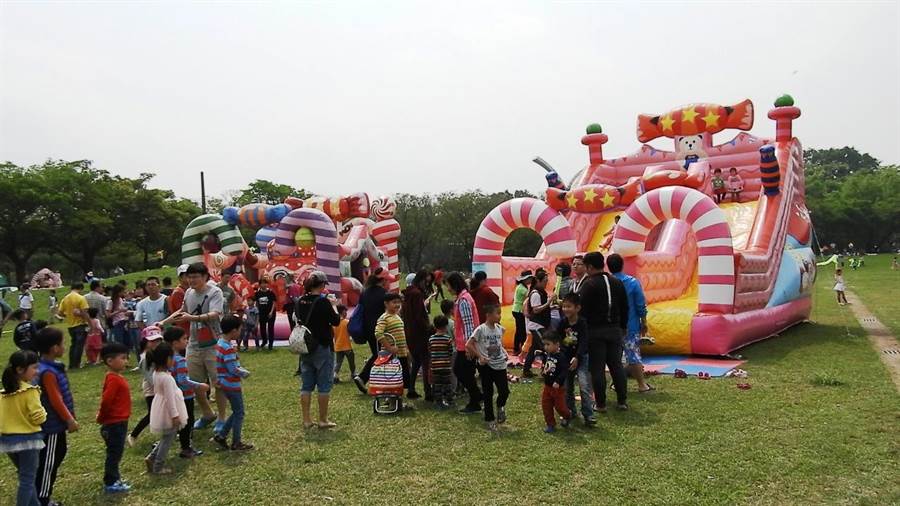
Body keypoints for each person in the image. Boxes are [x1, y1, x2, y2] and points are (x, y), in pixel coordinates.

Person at [169, 262, 225, 433]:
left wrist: (191, 318)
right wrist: (164, 322)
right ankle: (207, 413)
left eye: (195, 276)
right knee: (194, 382)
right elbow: (182, 311)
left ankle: (222, 418)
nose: (191, 280)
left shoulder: (214, 292)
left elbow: (215, 314)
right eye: (189, 276)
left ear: (205, 277)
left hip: (213, 343)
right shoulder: (188, 292)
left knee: (218, 382)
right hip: (193, 344)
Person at [579, 252, 630, 412]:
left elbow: (582, 310)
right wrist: (623, 327)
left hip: (595, 331)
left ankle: (600, 404)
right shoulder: (617, 282)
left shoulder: (589, 284)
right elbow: (625, 307)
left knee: (597, 368)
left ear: (590, 267)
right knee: (616, 366)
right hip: (614, 330)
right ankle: (622, 401)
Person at [33, 328, 77, 506]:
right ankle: (42, 499)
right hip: (52, 426)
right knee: (48, 462)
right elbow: (55, 399)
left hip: (55, 425)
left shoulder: (50, 367)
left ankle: (40, 496)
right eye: (62, 343)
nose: (64, 346)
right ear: (54, 348)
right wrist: (69, 419)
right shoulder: (48, 371)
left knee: (57, 454)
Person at [0, 350, 46, 506]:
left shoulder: (4, 393)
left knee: (25, 476)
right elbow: (38, 417)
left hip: (8, 440)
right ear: (20, 369)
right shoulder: (30, 391)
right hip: (28, 440)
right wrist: (43, 413)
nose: (37, 371)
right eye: (34, 367)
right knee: (27, 480)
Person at [295, 276, 341, 429]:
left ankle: (306, 419)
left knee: (306, 385)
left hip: (305, 346)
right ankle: (323, 419)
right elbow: (335, 321)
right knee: (324, 385)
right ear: (321, 285)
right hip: (322, 345)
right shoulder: (323, 302)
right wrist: (334, 305)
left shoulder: (300, 301)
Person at [607, 254, 653, 393]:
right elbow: (640, 305)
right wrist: (644, 322)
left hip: (612, 326)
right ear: (622, 265)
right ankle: (641, 385)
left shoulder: (607, 283)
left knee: (615, 357)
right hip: (630, 326)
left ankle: (616, 383)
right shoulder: (632, 282)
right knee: (633, 355)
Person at [163, 327, 208, 459]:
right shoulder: (180, 360)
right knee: (187, 423)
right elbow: (183, 380)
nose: (187, 341)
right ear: (175, 343)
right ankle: (186, 448)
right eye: (184, 339)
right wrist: (200, 385)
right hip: (185, 396)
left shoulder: (166, 359)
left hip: (172, 395)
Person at [144, 342, 188, 474]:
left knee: (167, 437)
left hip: (161, 407)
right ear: (167, 359)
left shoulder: (156, 374)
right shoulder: (166, 378)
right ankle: (158, 465)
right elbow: (169, 399)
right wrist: (175, 415)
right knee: (168, 439)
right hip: (169, 411)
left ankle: (152, 458)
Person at [212, 316, 253, 451]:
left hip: (224, 383)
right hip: (231, 384)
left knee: (236, 411)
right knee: (239, 413)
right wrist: (244, 373)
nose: (240, 332)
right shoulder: (228, 347)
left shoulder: (220, 343)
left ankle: (222, 435)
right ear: (234, 330)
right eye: (240, 329)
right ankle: (236, 442)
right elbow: (233, 369)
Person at [466, 304, 509, 433]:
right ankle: (490, 420)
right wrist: (480, 356)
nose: (500, 316)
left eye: (500, 313)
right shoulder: (481, 330)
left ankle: (500, 406)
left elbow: (498, 344)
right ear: (489, 315)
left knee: (504, 391)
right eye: (498, 313)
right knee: (488, 393)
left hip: (500, 364)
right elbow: (469, 344)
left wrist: (504, 352)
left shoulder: (500, 329)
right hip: (486, 366)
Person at [96, 342, 132, 493]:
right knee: (114, 453)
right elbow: (106, 401)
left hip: (120, 421)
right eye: (123, 358)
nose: (126, 361)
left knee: (116, 452)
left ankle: (115, 478)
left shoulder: (116, 376)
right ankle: (110, 482)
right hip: (114, 423)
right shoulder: (113, 379)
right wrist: (102, 417)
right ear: (110, 361)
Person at [445, 272, 483, 414]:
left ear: (454, 285)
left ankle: (475, 400)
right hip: (464, 344)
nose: (447, 289)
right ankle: (477, 397)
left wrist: (469, 346)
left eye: (448, 285)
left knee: (462, 372)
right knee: (463, 372)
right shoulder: (463, 298)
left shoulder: (464, 300)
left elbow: (468, 325)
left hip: (466, 345)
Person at [557, 292, 595, 425]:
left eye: (569, 306)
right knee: (567, 388)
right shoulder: (562, 323)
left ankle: (588, 414)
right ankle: (569, 412)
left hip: (581, 358)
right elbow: (558, 340)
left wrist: (577, 357)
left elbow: (584, 342)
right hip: (566, 359)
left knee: (584, 387)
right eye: (564, 306)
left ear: (577, 308)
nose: (566, 309)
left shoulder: (582, 323)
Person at [353, 267, 390, 393]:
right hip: (380, 330)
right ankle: (364, 377)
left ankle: (365, 378)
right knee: (381, 355)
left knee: (379, 354)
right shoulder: (384, 294)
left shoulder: (365, 292)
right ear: (383, 280)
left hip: (367, 329)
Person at [127, 326, 163, 447]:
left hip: (159, 388)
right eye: (152, 340)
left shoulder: (156, 353)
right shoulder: (144, 357)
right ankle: (133, 435)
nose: (156, 343)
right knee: (152, 414)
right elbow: (150, 377)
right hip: (152, 390)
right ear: (145, 341)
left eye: (158, 340)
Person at [401, 270, 432, 400]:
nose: (427, 284)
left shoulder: (407, 294)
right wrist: (429, 328)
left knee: (417, 362)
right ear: (421, 280)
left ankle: (411, 388)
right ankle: (428, 392)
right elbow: (420, 316)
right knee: (425, 363)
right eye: (426, 281)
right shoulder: (417, 294)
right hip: (420, 334)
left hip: (410, 333)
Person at [373, 292, 411, 394]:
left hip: (401, 354)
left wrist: (406, 348)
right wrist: (389, 348)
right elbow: (378, 333)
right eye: (394, 302)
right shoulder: (384, 318)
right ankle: (391, 397)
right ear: (386, 304)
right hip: (391, 356)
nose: (397, 305)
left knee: (403, 378)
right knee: (392, 378)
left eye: (399, 302)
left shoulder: (397, 316)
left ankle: (399, 399)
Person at [540, 331, 572, 433]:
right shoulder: (547, 355)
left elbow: (564, 371)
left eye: (548, 344)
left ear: (557, 344)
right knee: (546, 406)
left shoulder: (561, 357)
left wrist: (558, 381)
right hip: (547, 387)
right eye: (544, 344)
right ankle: (550, 424)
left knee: (560, 407)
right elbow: (547, 366)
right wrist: (543, 371)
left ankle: (567, 415)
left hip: (558, 388)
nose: (546, 347)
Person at [523, 271, 552, 378]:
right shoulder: (536, 294)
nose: (546, 283)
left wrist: (550, 306)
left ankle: (526, 370)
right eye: (545, 281)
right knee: (546, 346)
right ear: (538, 281)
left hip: (538, 324)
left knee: (533, 348)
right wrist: (548, 303)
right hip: (537, 325)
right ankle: (547, 371)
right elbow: (536, 310)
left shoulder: (540, 292)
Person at [58, 283, 89, 369]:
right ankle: (77, 364)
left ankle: (71, 364)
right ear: (80, 288)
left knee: (73, 345)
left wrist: (67, 315)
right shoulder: (81, 298)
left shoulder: (65, 298)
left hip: (70, 325)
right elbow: (84, 313)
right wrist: (89, 323)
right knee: (79, 346)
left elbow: (60, 312)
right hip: (80, 324)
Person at [428, 315, 454, 410]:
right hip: (446, 366)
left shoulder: (431, 339)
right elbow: (450, 352)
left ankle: (438, 402)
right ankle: (449, 401)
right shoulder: (448, 339)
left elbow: (430, 351)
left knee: (437, 385)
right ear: (446, 326)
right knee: (447, 385)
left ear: (435, 326)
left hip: (435, 367)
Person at [511, 271, 533, 356]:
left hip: (516, 310)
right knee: (521, 331)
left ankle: (517, 348)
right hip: (519, 311)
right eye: (529, 278)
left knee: (519, 330)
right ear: (525, 279)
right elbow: (529, 295)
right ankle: (521, 349)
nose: (530, 280)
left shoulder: (521, 286)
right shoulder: (522, 288)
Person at [333, 305, 355, 383]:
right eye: (346, 311)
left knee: (338, 362)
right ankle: (353, 374)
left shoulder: (334, 323)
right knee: (351, 361)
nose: (346, 313)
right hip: (347, 347)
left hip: (338, 347)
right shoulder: (347, 322)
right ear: (342, 312)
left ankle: (335, 375)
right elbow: (351, 332)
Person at [253, 278, 277, 350]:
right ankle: (264, 341)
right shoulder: (257, 293)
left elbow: (274, 302)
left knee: (270, 328)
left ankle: (271, 344)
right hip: (261, 313)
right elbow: (257, 303)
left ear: (267, 284)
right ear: (259, 285)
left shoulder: (271, 292)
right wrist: (256, 312)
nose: (263, 285)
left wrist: (271, 312)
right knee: (262, 328)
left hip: (270, 313)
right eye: (262, 283)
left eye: (265, 283)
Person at [167, 265, 191, 336]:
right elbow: (182, 312)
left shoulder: (188, 290)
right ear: (180, 277)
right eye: (186, 275)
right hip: (184, 330)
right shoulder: (178, 292)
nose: (189, 277)